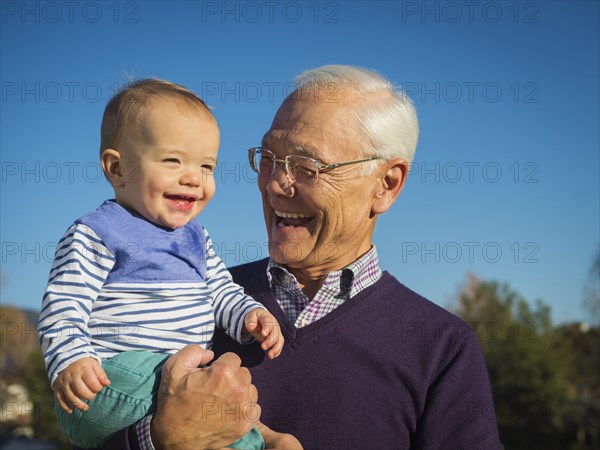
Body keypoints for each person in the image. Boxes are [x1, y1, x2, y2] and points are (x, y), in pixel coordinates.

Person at [102, 65, 501, 449]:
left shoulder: (442, 349)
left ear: (387, 184)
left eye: (307, 166)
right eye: (269, 158)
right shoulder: (181, 297)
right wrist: (161, 440)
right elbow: (90, 421)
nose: (275, 184)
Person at [37, 79, 288, 449]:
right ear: (117, 169)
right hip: (108, 380)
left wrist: (250, 315)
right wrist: (70, 360)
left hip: (165, 382)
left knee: (221, 410)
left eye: (207, 166)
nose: (193, 178)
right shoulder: (100, 231)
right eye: (173, 160)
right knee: (222, 422)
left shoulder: (196, 238)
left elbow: (220, 292)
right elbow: (63, 303)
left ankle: (254, 435)